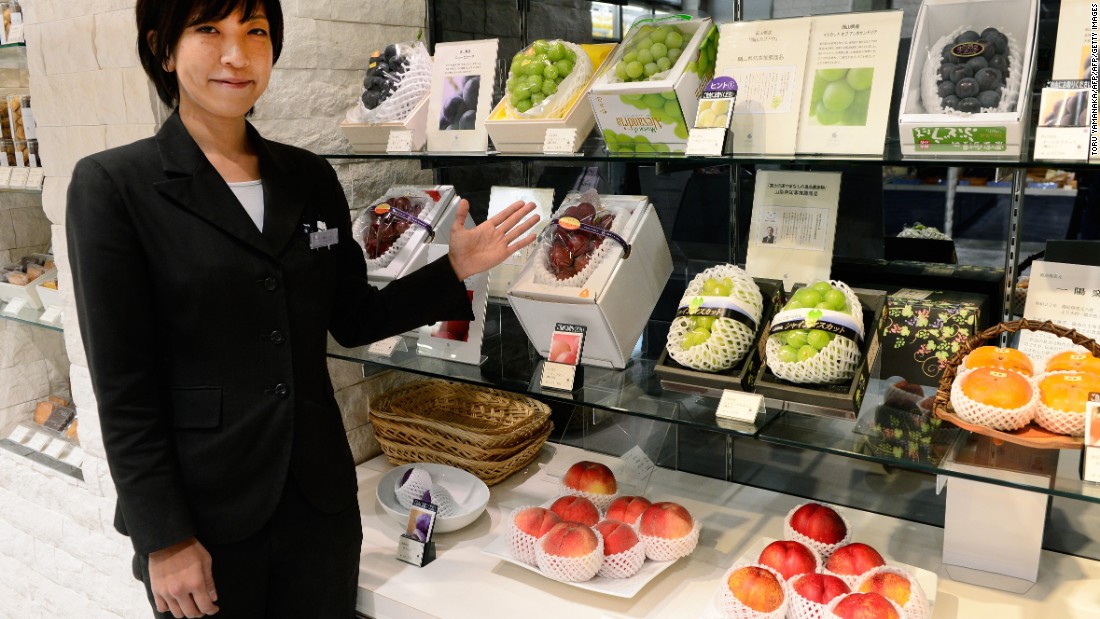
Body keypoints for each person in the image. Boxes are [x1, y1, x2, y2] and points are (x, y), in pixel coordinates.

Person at [65, 1, 539, 617]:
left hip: (319, 506)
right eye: (209, 30)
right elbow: (124, 386)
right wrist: (164, 538)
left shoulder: (309, 177)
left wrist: (452, 270)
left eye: (255, 32)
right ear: (162, 48)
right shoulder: (113, 186)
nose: (236, 54)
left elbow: (354, 317)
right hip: (204, 520)